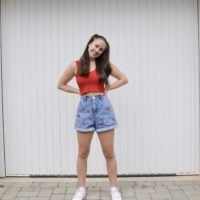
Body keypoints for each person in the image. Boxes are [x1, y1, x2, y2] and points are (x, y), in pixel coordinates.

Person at [57, 34, 128, 200]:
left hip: (104, 108)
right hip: (84, 110)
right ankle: (81, 188)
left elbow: (124, 79)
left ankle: (114, 188)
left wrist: (107, 90)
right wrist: (79, 92)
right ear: (89, 43)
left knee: (109, 152)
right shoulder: (75, 65)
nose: (97, 50)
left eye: (101, 49)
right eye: (95, 46)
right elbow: (60, 84)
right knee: (83, 152)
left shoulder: (105, 65)